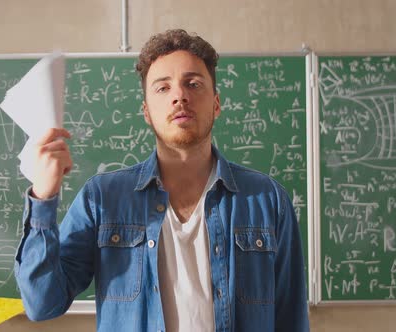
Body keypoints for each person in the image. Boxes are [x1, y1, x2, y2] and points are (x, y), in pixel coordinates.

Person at [15, 29, 309, 332]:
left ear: (217, 104)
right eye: (162, 88)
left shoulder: (267, 200)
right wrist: (42, 196)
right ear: (146, 111)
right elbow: (41, 303)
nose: (179, 95)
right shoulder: (102, 199)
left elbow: (291, 319)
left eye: (193, 84)